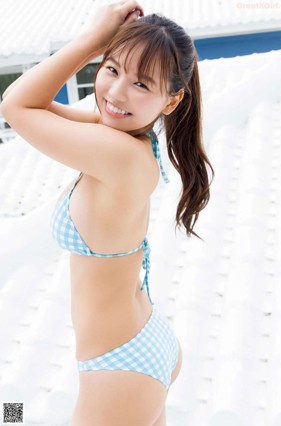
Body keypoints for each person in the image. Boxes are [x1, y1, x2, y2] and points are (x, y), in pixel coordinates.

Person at [1, 1, 214, 424]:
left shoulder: (116, 152)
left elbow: (14, 105)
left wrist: (91, 40)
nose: (116, 93)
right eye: (112, 69)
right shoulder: (125, 137)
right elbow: (37, 106)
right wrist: (100, 48)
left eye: (141, 84)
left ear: (171, 101)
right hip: (142, 344)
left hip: (119, 368)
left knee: (13, 415)